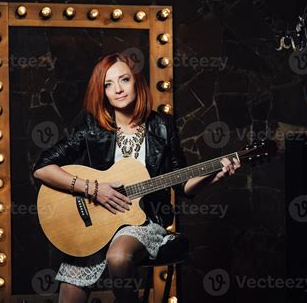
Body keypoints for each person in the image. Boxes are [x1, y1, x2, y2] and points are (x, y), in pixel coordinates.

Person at [32, 52, 241, 303]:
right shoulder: (91, 125)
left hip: (142, 221)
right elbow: (42, 168)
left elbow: (183, 185)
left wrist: (213, 175)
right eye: (108, 84)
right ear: (102, 92)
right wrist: (93, 189)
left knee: (118, 256)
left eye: (124, 80)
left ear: (137, 81)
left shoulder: (162, 125)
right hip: (95, 222)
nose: (118, 89)